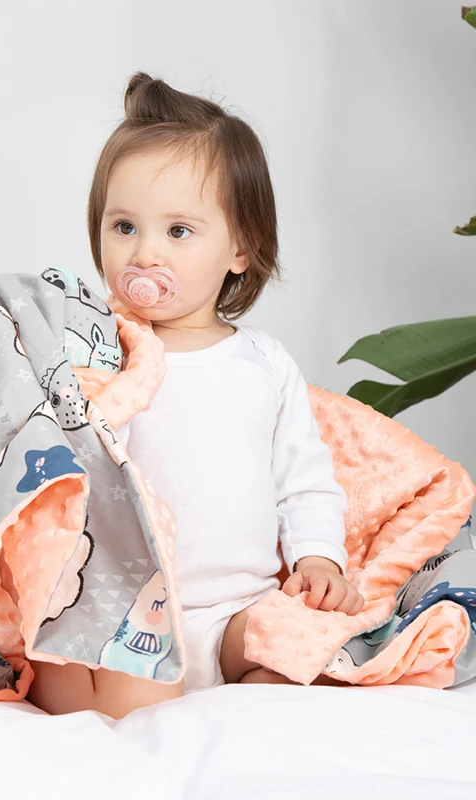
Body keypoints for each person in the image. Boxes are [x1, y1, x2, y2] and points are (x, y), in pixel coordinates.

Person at [25, 71, 364, 719]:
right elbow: (64, 480)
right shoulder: (97, 356)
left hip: (238, 609)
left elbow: (305, 481)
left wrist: (321, 560)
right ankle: (79, 684)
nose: (145, 252)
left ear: (241, 248)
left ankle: (242, 703)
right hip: (126, 612)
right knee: (112, 688)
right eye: (124, 226)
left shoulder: (263, 363)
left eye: (178, 231)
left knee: (310, 654)